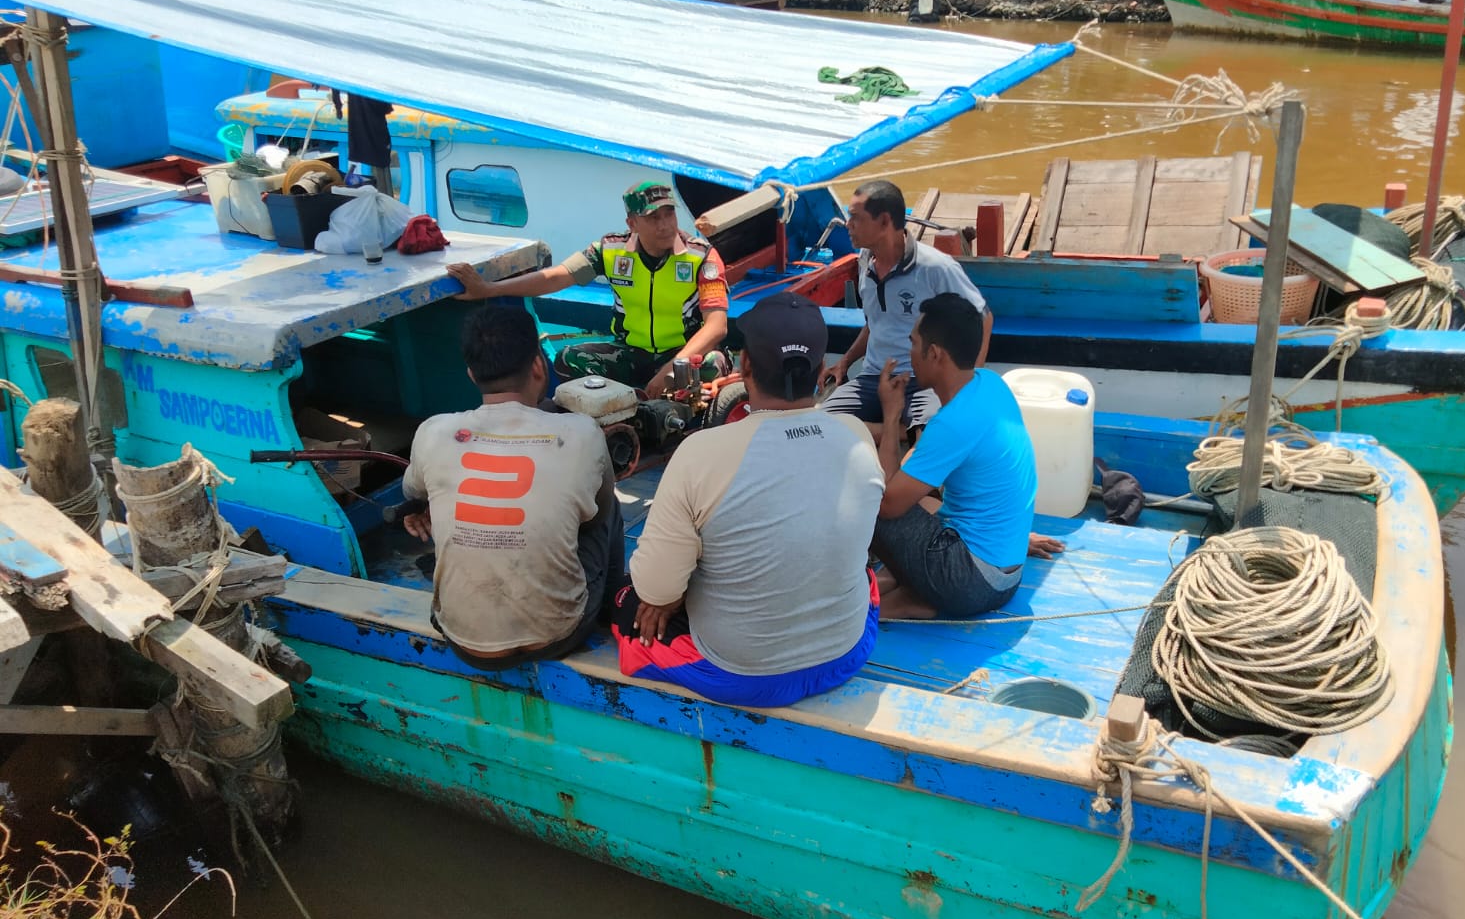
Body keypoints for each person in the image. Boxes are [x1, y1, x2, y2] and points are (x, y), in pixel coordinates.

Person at [613, 292, 885, 706]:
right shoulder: (857, 436)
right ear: (820, 370)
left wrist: (668, 597)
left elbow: (656, 589)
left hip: (741, 674)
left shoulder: (701, 452)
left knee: (628, 601)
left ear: (744, 367)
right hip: (847, 651)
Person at [400, 304, 622, 668]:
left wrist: (428, 509)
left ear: (472, 374)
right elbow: (595, 519)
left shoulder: (433, 431)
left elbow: (413, 493)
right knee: (607, 505)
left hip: (459, 637)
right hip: (557, 634)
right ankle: (608, 612)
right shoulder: (582, 432)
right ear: (538, 365)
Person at [871, 293, 1063, 621]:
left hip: (972, 581)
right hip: (1006, 575)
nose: (909, 352)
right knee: (924, 499)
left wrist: (891, 417)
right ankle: (919, 595)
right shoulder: (990, 383)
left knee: (867, 498)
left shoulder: (953, 423)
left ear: (934, 354)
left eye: (913, 343)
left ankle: (901, 601)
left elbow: (887, 505)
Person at [447, 180, 730, 399]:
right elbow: (556, 277)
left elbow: (716, 327)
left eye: (669, 214)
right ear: (632, 223)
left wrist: (672, 366)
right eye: (653, 217)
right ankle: (628, 408)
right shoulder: (610, 250)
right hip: (630, 351)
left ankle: (658, 407)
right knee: (569, 358)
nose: (665, 224)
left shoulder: (701, 256)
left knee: (713, 363)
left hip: (683, 353)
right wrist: (488, 289)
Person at [819, 178, 992, 434]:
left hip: (923, 382)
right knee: (818, 424)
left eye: (855, 217)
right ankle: (896, 430)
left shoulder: (936, 267)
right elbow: (875, 324)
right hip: (872, 380)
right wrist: (845, 361)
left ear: (885, 222)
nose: (848, 224)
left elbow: (983, 317)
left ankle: (890, 431)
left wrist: (969, 382)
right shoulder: (865, 262)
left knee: (933, 430)